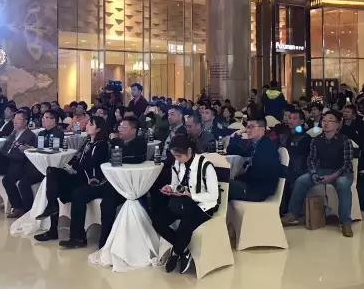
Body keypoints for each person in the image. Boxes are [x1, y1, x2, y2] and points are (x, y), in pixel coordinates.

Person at [34, 116, 110, 245]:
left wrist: (75, 167)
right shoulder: (87, 142)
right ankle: (52, 214)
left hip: (91, 180)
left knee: (76, 193)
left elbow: (93, 164)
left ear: (98, 129)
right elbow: (78, 159)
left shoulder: (101, 145)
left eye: (91, 124)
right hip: (79, 176)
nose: (87, 125)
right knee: (51, 172)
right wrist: (70, 166)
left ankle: (77, 237)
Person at [153, 134, 219, 274]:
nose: (177, 159)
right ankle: (183, 251)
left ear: (189, 151)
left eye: (179, 156)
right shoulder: (177, 164)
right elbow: (175, 184)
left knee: (186, 222)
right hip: (183, 203)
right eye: (174, 156)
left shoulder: (205, 166)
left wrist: (191, 195)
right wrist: (170, 188)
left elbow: (214, 195)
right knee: (158, 222)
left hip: (204, 205)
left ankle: (176, 253)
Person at [282, 111, 354, 237]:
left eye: (330, 121)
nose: (326, 123)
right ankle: (293, 213)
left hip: (341, 172)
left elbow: (347, 164)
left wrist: (333, 176)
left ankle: (345, 222)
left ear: (338, 124)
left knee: (343, 184)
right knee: (301, 180)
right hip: (322, 170)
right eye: (324, 120)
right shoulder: (316, 140)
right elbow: (311, 160)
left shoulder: (344, 140)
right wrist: (314, 173)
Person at [98, 116, 147, 247]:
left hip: (131, 184)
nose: (120, 129)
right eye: (119, 126)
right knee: (86, 193)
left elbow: (137, 159)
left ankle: (106, 241)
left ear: (134, 130)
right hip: (114, 181)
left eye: (124, 127)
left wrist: (121, 160)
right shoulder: (117, 142)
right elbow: (113, 161)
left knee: (108, 202)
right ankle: (102, 239)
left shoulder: (140, 142)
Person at [7, 110, 65, 218]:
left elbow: (54, 151)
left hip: (49, 166)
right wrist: (29, 148)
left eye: (46, 118)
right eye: (43, 118)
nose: (43, 120)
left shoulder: (58, 133)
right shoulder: (41, 133)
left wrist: (34, 149)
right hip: (36, 165)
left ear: (54, 120)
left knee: (23, 183)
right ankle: (20, 207)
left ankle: (28, 211)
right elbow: (38, 149)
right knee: (11, 178)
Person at [228, 119, 283, 202]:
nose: (248, 130)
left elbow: (259, 173)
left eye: (251, 127)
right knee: (222, 183)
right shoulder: (256, 144)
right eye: (247, 127)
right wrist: (236, 136)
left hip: (258, 190)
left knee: (221, 185)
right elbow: (234, 151)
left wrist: (239, 177)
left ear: (262, 129)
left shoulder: (266, 147)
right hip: (252, 186)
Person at [281, 110, 311, 212]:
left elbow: (302, 159)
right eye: (290, 118)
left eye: (294, 118)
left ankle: (289, 211)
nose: (290, 121)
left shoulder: (304, 137)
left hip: (298, 169)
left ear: (301, 122)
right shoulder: (286, 135)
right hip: (286, 166)